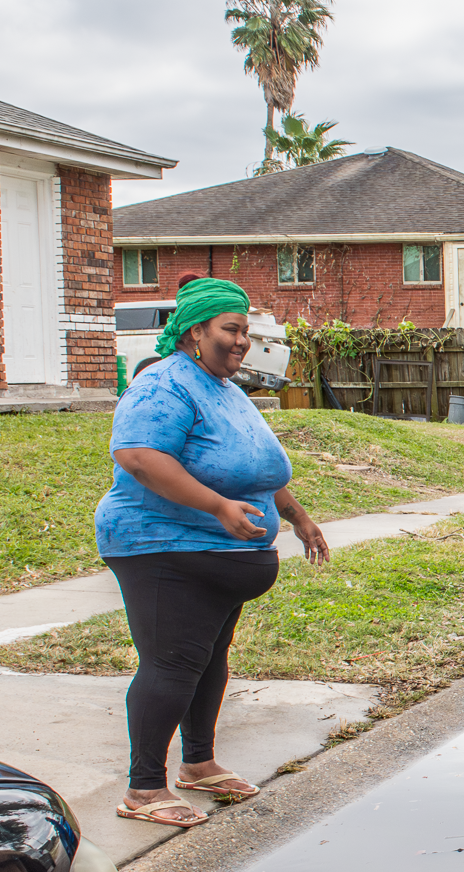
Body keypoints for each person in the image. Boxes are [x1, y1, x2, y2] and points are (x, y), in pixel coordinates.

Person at [97, 275, 330, 828]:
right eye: (231, 329)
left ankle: (198, 764)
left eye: (246, 331)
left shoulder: (225, 390)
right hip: (159, 544)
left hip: (216, 553)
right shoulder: (162, 384)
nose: (242, 341)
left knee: (207, 662)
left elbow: (256, 470)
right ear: (194, 331)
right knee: (172, 664)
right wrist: (217, 507)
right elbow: (139, 457)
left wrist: (297, 517)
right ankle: (144, 789)